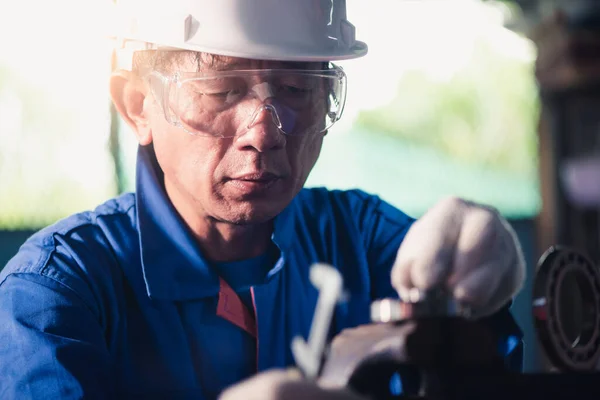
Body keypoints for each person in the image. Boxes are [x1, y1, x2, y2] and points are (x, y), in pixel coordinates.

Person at [0, 1, 526, 399]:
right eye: (223, 91)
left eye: (297, 90)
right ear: (140, 105)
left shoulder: (360, 240)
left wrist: (482, 288)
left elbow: (488, 361)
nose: (265, 132)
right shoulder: (57, 294)